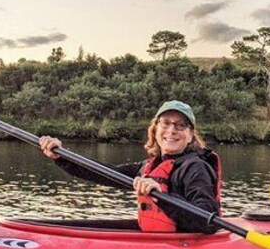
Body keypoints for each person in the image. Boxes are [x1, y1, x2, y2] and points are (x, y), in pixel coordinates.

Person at [39, 100, 221, 234]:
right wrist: (61, 155)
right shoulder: (148, 166)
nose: (172, 130)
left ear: (190, 136)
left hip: (182, 245)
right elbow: (103, 173)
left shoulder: (196, 168)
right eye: (165, 123)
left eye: (181, 126)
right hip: (155, 239)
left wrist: (163, 197)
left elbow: (208, 220)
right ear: (156, 129)